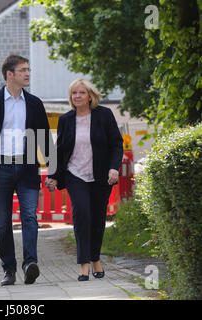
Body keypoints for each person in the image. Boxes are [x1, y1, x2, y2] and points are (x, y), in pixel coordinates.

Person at [0, 54, 53, 286]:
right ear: (10, 74)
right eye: (23, 70)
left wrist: (53, 171)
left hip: (27, 168)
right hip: (1, 168)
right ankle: (9, 269)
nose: (27, 74)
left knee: (29, 216)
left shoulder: (34, 103)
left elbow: (45, 138)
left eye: (29, 69)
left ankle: (29, 263)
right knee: (3, 222)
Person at [46, 78, 123, 281]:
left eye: (81, 93)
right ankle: (83, 264)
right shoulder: (66, 120)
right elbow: (60, 151)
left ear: (90, 96)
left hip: (100, 176)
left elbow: (116, 144)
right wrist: (53, 175)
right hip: (75, 175)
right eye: (74, 93)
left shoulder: (104, 115)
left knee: (98, 219)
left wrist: (114, 167)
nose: (77, 96)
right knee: (82, 215)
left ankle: (95, 259)